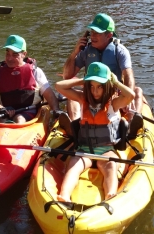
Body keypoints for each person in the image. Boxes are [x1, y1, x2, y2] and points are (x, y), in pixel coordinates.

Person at [55, 62, 135, 203]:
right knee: (73, 165)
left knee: (111, 165)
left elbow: (131, 96)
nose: (95, 91)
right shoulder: (82, 98)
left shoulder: (113, 103)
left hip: (106, 150)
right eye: (91, 86)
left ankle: (110, 195)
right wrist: (83, 80)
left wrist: (115, 82)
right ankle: (64, 195)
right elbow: (58, 86)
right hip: (84, 150)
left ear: (106, 86)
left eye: (99, 87)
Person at [61, 13, 144, 124]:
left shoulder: (120, 51)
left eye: (97, 33)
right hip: (92, 94)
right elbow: (67, 76)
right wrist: (75, 53)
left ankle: (132, 122)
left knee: (137, 91)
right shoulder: (85, 51)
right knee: (71, 95)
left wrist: (128, 98)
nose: (93, 36)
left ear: (109, 35)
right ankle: (75, 125)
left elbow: (128, 75)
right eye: (92, 32)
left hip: (113, 96)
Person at [0, 35, 60, 123]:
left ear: (24, 54)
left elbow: (49, 95)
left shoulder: (35, 72)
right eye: (7, 54)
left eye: (15, 54)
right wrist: (0, 108)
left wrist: (56, 111)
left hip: (28, 110)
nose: (9, 58)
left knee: (19, 119)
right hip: (4, 111)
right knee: (1, 120)